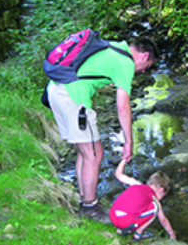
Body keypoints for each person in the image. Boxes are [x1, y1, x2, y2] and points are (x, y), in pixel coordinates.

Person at [47, 37, 159, 223]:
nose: (144, 70)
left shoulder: (113, 47)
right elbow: (123, 105)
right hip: (72, 96)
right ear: (144, 55)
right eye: (147, 64)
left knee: (85, 152)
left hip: (56, 90)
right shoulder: (126, 63)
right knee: (95, 154)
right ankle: (90, 207)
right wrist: (129, 141)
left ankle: (85, 201)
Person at [110, 158, 177, 242]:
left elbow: (118, 175)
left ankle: (120, 230)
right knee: (155, 207)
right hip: (124, 221)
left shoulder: (136, 183)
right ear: (161, 190)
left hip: (113, 215)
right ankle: (138, 234)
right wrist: (172, 235)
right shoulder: (153, 197)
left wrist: (124, 159)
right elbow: (163, 220)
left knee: (134, 206)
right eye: (164, 195)